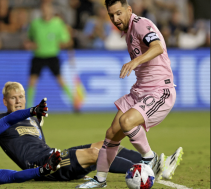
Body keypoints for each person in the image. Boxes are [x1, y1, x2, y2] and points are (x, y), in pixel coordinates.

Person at [76, 0, 184, 188]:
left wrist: (135, 62)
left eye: (118, 13)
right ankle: (100, 180)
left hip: (159, 90)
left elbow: (157, 47)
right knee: (111, 134)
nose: (115, 19)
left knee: (126, 122)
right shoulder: (128, 32)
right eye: (111, 15)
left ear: (129, 10)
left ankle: (151, 159)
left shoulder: (141, 24)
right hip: (140, 90)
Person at [0, 81, 182, 181]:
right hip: (42, 166)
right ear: (5, 101)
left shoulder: (33, 120)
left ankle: (154, 163)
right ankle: (144, 173)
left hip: (52, 155)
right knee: (96, 154)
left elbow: (39, 145)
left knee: (106, 145)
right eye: (13, 98)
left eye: (21, 96)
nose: (18, 100)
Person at [24, 2, 74, 110]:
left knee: (60, 80)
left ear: (51, 10)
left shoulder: (58, 23)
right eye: (43, 8)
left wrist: (64, 44)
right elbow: (29, 40)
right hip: (38, 55)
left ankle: (74, 102)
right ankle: (29, 107)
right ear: (41, 10)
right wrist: (30, 45)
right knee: (32, 81)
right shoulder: (35, 24)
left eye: (47, 8)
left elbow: (66, 41)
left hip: (52, 55)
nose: (45, 10)